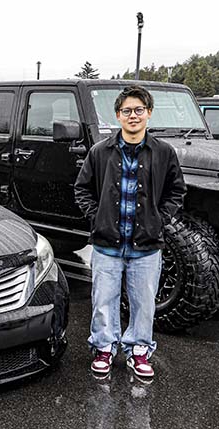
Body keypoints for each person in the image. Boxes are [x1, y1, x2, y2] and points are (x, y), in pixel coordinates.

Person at [74, 85, 186, 378]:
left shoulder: (163, 152)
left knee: (144, 303)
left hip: (146, 246)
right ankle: (104, 348)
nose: (133, 115)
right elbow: (82, 189)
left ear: (149, 113)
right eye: (127, 111)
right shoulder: (100, 152)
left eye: (139, 110)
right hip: (106, 244)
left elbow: (176, 191)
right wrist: (97, 217)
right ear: (118, 115)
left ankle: (139, 351)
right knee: (103, 301)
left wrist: (159, 220)